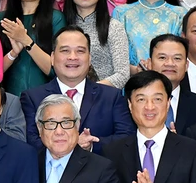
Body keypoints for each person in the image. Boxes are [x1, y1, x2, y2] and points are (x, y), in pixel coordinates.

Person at [22, 25, 133, 153]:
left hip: (100, 171)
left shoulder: (112, 97)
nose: (72, 57)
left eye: (80, 51)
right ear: (52, 57)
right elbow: (31, 142)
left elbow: (126, 138)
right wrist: (71, 146)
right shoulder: (33, 98)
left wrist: (91, 145)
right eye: (65, 51)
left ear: (90, 58)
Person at [0, 0, 64, 95]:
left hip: (47, 103)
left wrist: (26, 40)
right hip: (9, 102)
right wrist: (13, 53)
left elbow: (56, 70)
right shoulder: (2, 20)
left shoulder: (56, 18)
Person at [63, 0, 131, 86]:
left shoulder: (113, 27)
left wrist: (90, 91)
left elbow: (122, 75)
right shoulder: (61, 24)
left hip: (104, 99)